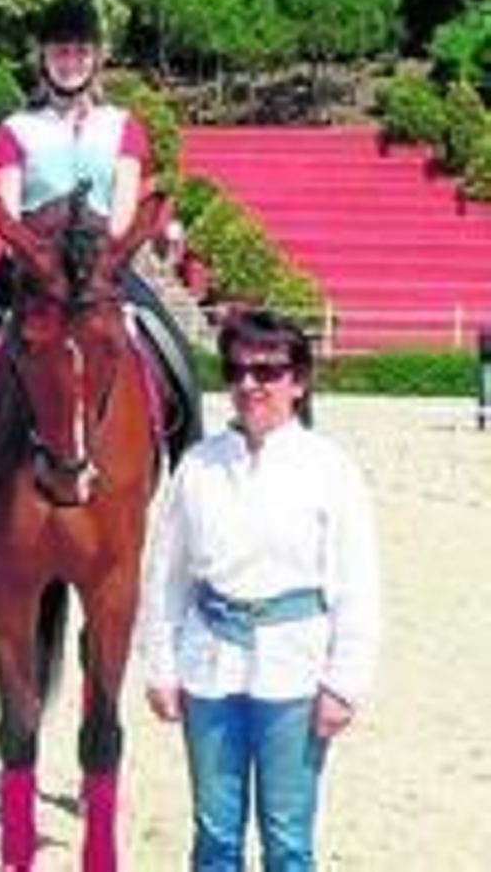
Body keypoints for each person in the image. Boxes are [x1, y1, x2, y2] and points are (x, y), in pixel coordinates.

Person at [139, 308, 382, 871]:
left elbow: (357, 583)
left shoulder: (330, 470)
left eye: (268, 372)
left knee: (287, 837)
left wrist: (345, 682)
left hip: (293, 670)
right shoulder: (197, 467)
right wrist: (160, 666)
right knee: (214, 832)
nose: (250, 385)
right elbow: (167, 578)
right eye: (237, 370)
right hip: (210, 668)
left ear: (298, 382)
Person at [0, 0, 201, 465]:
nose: (70, 61)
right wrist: (40, 264)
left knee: (177, 357)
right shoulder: (15, 129)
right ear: (44, 58)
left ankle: (187, 465)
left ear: (97, 57)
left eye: (80, 51)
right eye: (60, 51)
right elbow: (9, 209)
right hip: (29, 273)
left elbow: (122, 212)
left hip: (103, 271)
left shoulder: (124, 127)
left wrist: (99, 260)